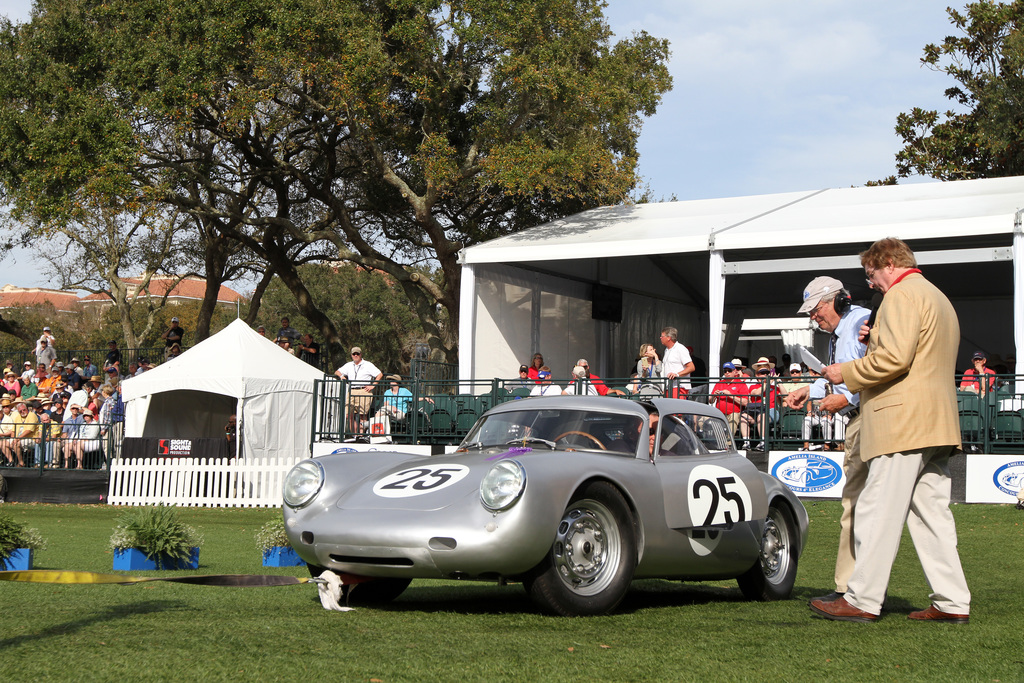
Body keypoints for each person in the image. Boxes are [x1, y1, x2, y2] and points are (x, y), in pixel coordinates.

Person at [812, 238, 970, 624]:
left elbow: (895, 360)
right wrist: (874, 340)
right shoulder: (937, 297)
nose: (871, 284)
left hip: (901, 422)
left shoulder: (900, 295)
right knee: (931, 516)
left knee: (876, 508)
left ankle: (862, 599)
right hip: (936, 423)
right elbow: (915, 352)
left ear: (888, 263)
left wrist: (844, 373)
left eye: (871, 274)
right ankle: (952, 602)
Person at [784, 276, 870, 600]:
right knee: (863, 507)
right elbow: (843, 377)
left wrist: (848, 400)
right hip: (860, 420)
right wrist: (809, 390)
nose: (813, 317)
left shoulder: (860, 322)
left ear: (836, 301)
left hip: (866, 420)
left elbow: (878, 370)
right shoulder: (844, 329)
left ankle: (850, 590)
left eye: (816, 310)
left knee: (856, 505)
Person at [335, 347, 382, 433]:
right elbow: (337, 371)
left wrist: (373, 385)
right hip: (352, 390)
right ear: (351, 355)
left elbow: (379, 374)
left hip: (364, 390)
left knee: (362, 415)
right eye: (354, 354)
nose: (355, 355)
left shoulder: (368, 364)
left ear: (361, 354)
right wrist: (342, 376)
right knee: (349, 415)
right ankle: (354, 435)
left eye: (357, 354)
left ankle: (361, 435)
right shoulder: (348, 365)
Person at [711, 362, 749, 437]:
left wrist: (731, 395)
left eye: (729, 370)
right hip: (720, 413)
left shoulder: (740, 384)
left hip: (734, 413)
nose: (727, 373)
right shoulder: (719, 383)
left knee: (734, 417)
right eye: (725, 371)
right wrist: (714, 396)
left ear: (735, 371)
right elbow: (710, 401)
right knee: (702, 419)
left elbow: (745, 402)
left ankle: (728, 444)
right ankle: (716, 443)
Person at [659, 327, 695, 397]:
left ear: (668, 338)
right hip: (668, 387)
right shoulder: (666, 350)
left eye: (662, 336)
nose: (660, 338)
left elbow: (691, 367)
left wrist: (677, 374)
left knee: (677, 408)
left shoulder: (680, 349)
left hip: (679, 387)